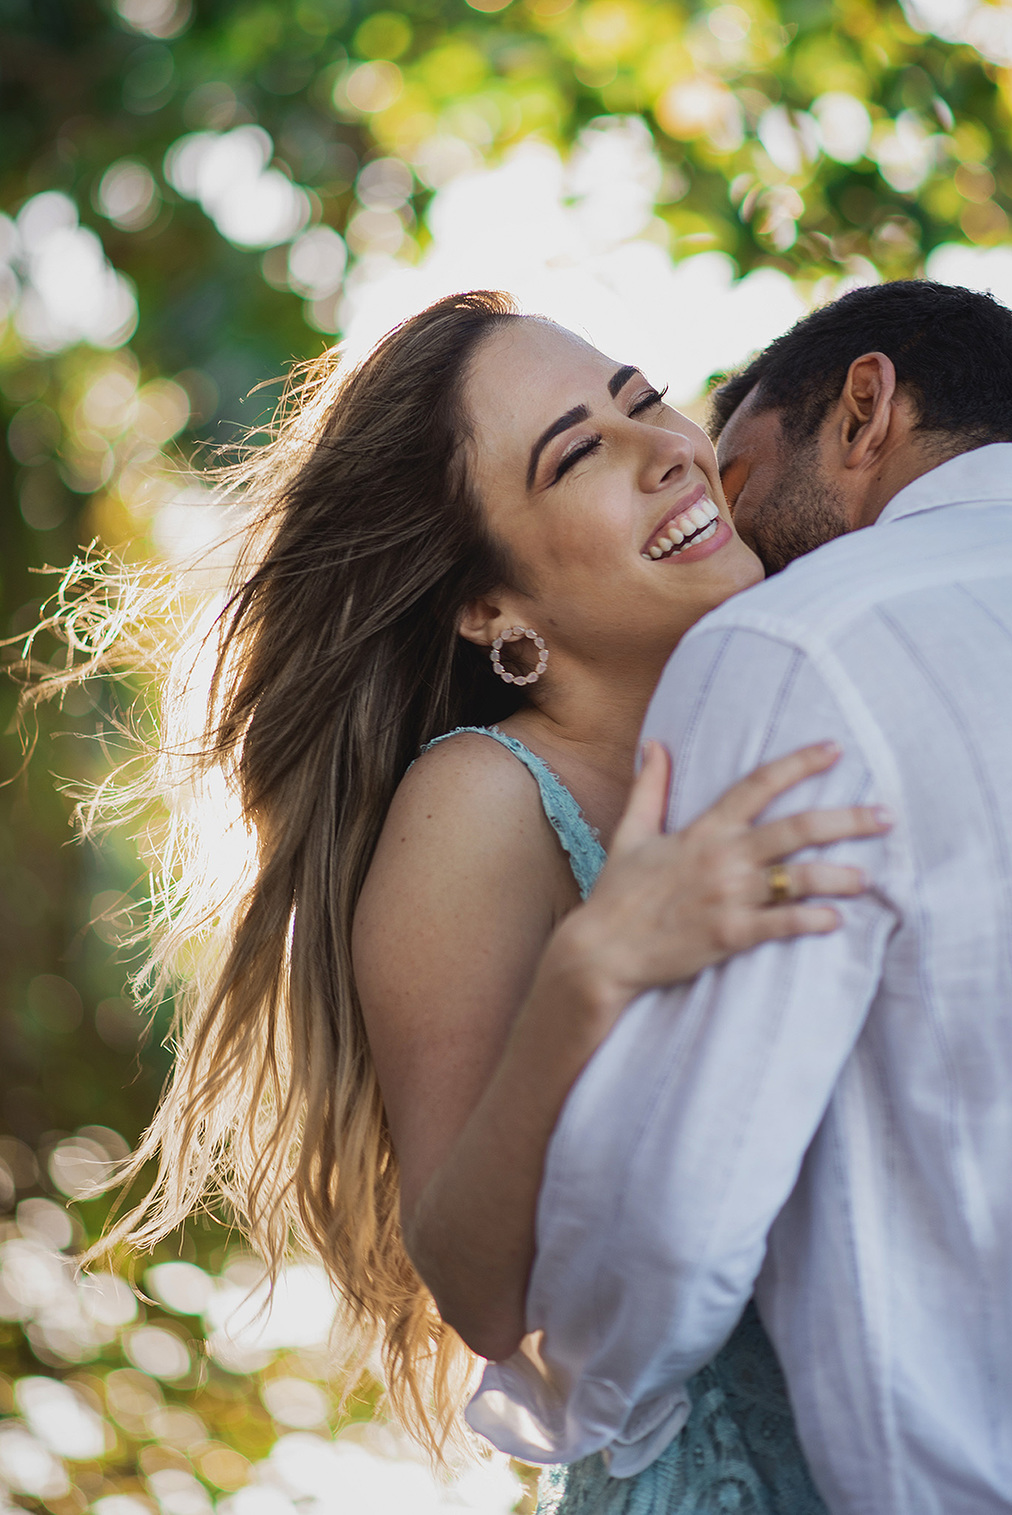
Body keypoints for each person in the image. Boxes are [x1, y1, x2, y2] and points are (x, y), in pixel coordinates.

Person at [39, 290, 890, 1513]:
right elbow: (480, 1288)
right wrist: (591, 977)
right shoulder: (482, 803)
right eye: (579, 454)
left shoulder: (802, 708)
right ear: (491, 608)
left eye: (644, 400)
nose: (663, 450)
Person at [469, 281, 1012, 1512]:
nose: (718, 505)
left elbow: (676, 1222)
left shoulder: (801, 647)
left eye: (737, 470)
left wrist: (595, 1404)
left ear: (864, 409)